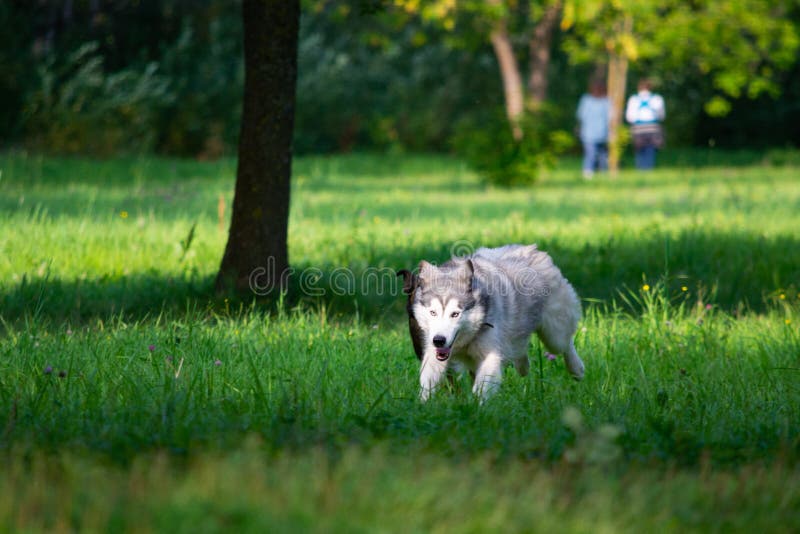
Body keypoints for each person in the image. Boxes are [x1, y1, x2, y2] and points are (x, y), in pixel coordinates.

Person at [626, 78, 665, 170]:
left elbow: (629, 117)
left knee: (639, 150)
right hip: (653, 128)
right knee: (650, 150)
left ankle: (640, 169)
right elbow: (661, 116)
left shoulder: (633, 99)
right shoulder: (657, 99)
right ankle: (649, 169)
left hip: (638, 129)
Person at [576, 79, 610, 180]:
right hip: (589, 132)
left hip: (602, 132)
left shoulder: (606, 101)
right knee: (590, 153)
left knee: (602, 154)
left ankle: (602, 171)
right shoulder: (586, 100)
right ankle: (588, 171)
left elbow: (611, 117)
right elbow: (581, 116)